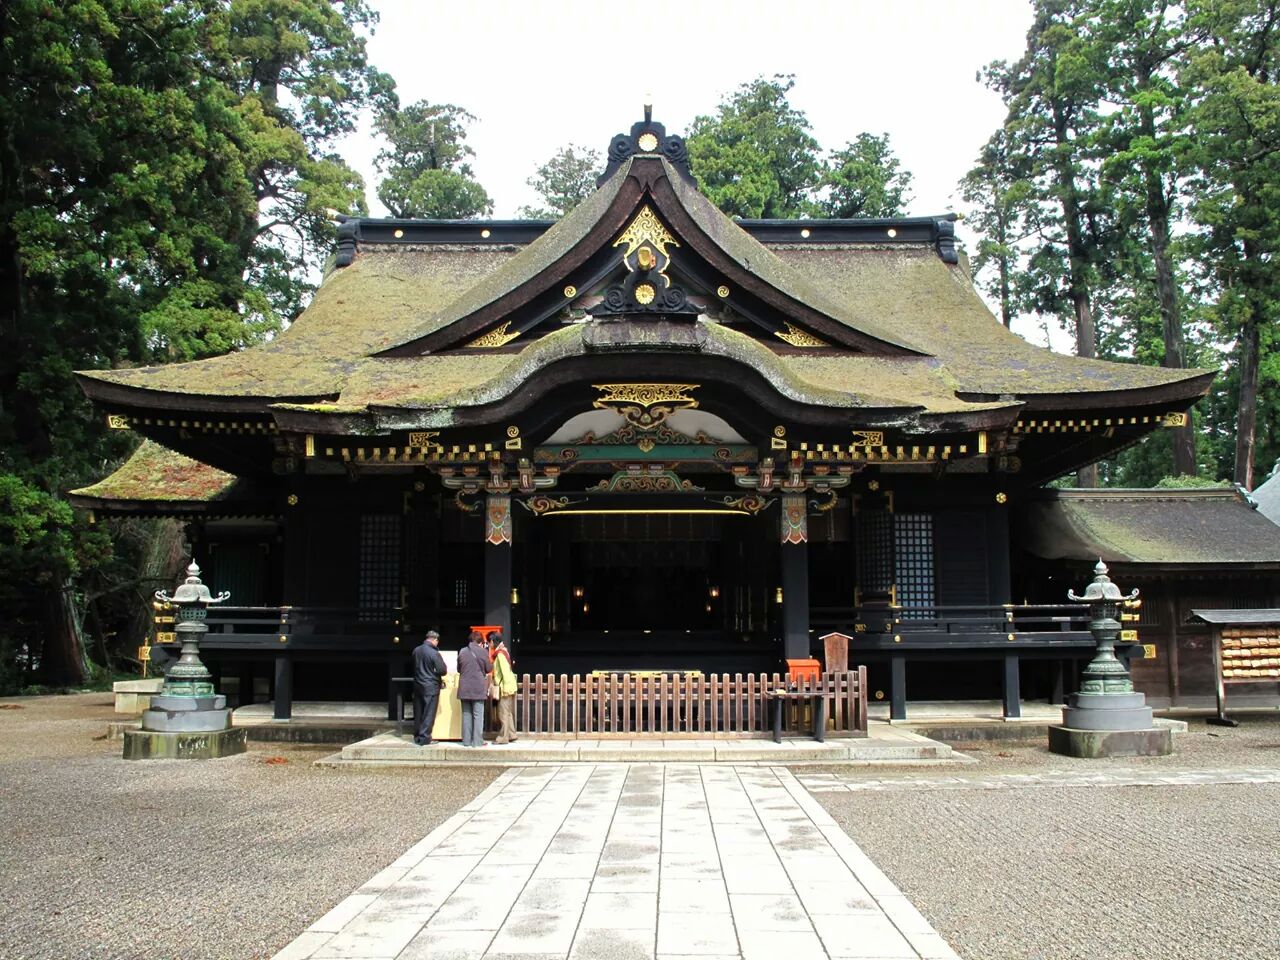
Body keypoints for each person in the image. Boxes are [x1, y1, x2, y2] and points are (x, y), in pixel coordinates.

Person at [456, 630, 492, 747]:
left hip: (464, 687)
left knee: (466, 714)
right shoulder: (483, 652)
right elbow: (488, 668)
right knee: (478, 715)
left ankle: (466, 741)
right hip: (478, 687)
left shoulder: (462, 651)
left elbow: (459, 668)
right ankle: (477, 742)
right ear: (480, 642)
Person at [411, 630, 447, 746]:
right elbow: (442, 670)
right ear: (435, 640)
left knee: (419, 712)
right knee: (428, 713)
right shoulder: (433, 653)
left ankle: (417, 736)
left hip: (418, 685)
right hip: (431, 686)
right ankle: (425, 737)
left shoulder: (416, 650)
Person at [489, 632, 518, 744]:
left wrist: (505, 689)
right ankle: (511, 734)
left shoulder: (500, 655)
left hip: (505, 687)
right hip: (510, 686)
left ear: (493, 641)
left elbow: (505, 672)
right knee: (508, 712)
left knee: (502, 713)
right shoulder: (504, 651)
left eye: (490, 642)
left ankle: (503, 737)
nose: (489, 644)